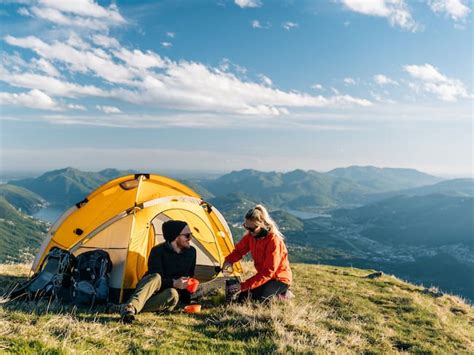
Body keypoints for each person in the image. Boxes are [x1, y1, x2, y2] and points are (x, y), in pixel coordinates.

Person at [120, 220, 196, 323]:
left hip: (167, 295)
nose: (190, 239)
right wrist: (174, 283)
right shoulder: (157, 251)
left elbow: (189, 276)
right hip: (150, 291)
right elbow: (155, 281)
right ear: (175, 237)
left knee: (173, 294)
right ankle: (130, 307)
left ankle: (126, 308)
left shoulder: (191, 252)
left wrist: (189, 288)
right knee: (156, 277)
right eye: (187, 235)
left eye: (191, 235)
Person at [223, 204, 292, 302]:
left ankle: (283, 294)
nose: (249, 231)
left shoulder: (273, 241)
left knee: (257, 300)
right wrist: (228, 261)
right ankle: (273, 293)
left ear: (262, 225)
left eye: (252, 229)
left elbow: (268, 272)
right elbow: (239, 251)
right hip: (264, 277)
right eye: (246, 227)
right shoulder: (251, 237)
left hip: (279, 279)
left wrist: (242, 286)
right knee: (242, 298)